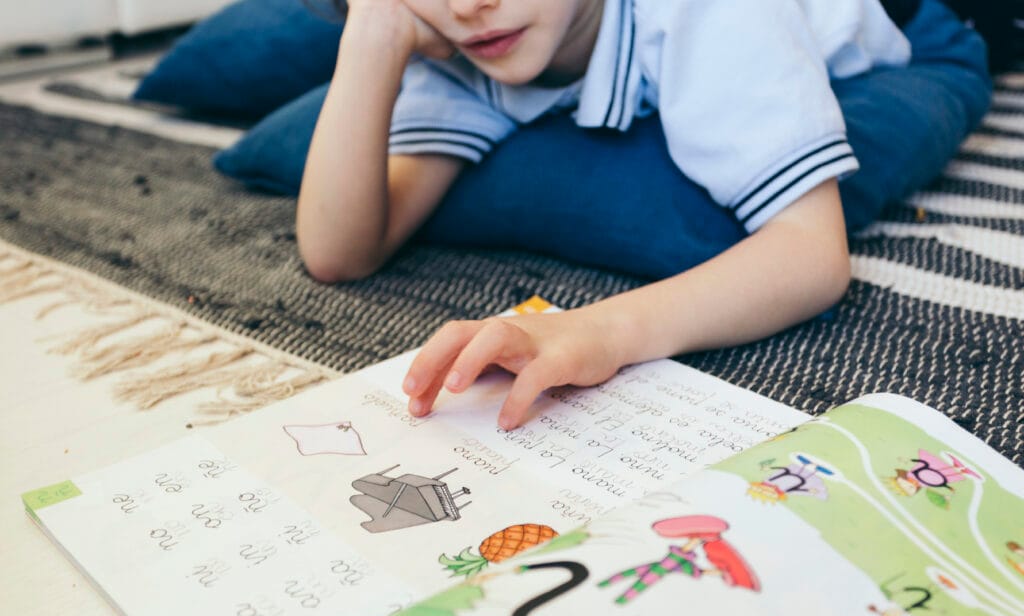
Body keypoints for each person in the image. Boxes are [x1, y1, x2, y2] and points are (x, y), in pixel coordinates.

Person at [297, 0, 991, 431]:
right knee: (266, 37)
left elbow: (812, 256)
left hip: (911, 26)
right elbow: (339, 250)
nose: (470, 3)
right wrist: (372, 35)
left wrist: (596, 330)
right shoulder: (475, 35)